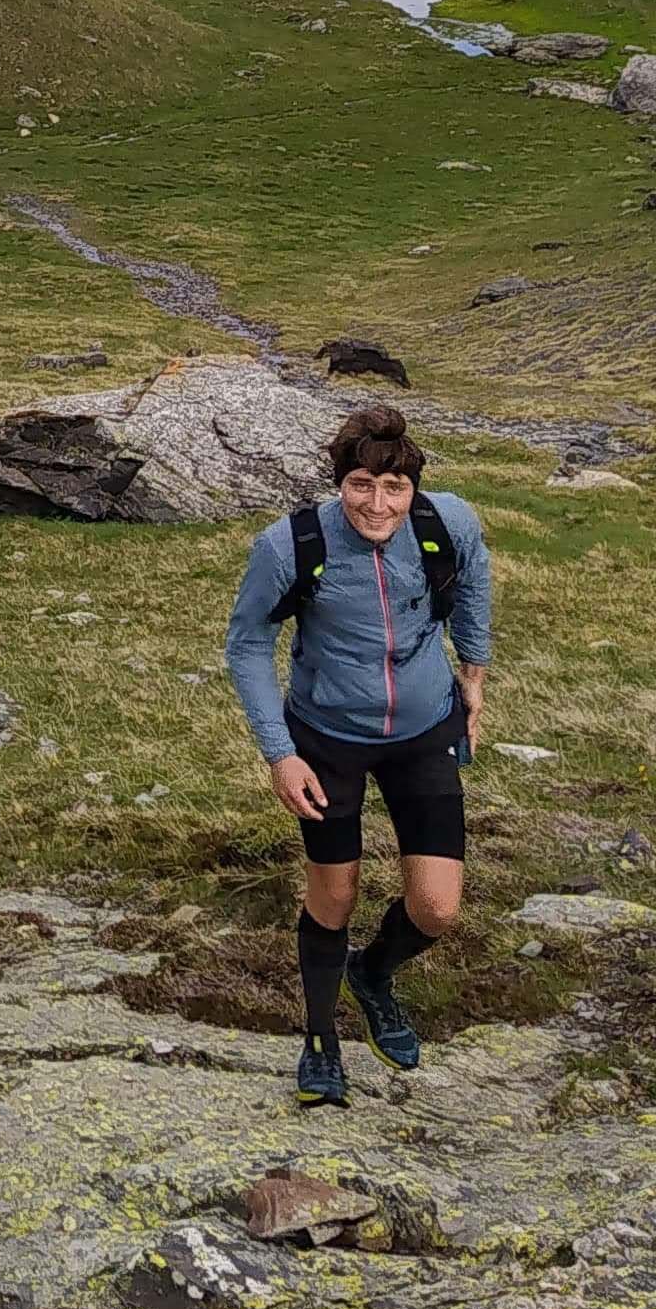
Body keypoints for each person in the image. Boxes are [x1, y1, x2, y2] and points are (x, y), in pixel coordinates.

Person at [221, 402, 493, 1107]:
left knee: (436, 908)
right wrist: (280, 754)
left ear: (413, 487)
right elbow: (248, 642)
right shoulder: (290, 544)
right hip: (326, 741)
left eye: (394, 489)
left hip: (424, 731)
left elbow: (474, 579)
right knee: (334, 894)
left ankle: (371, 974)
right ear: (340, 483)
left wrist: (476, 668)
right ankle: (319, 1041)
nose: (378, 505)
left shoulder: (447, 523)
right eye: (361, 487)